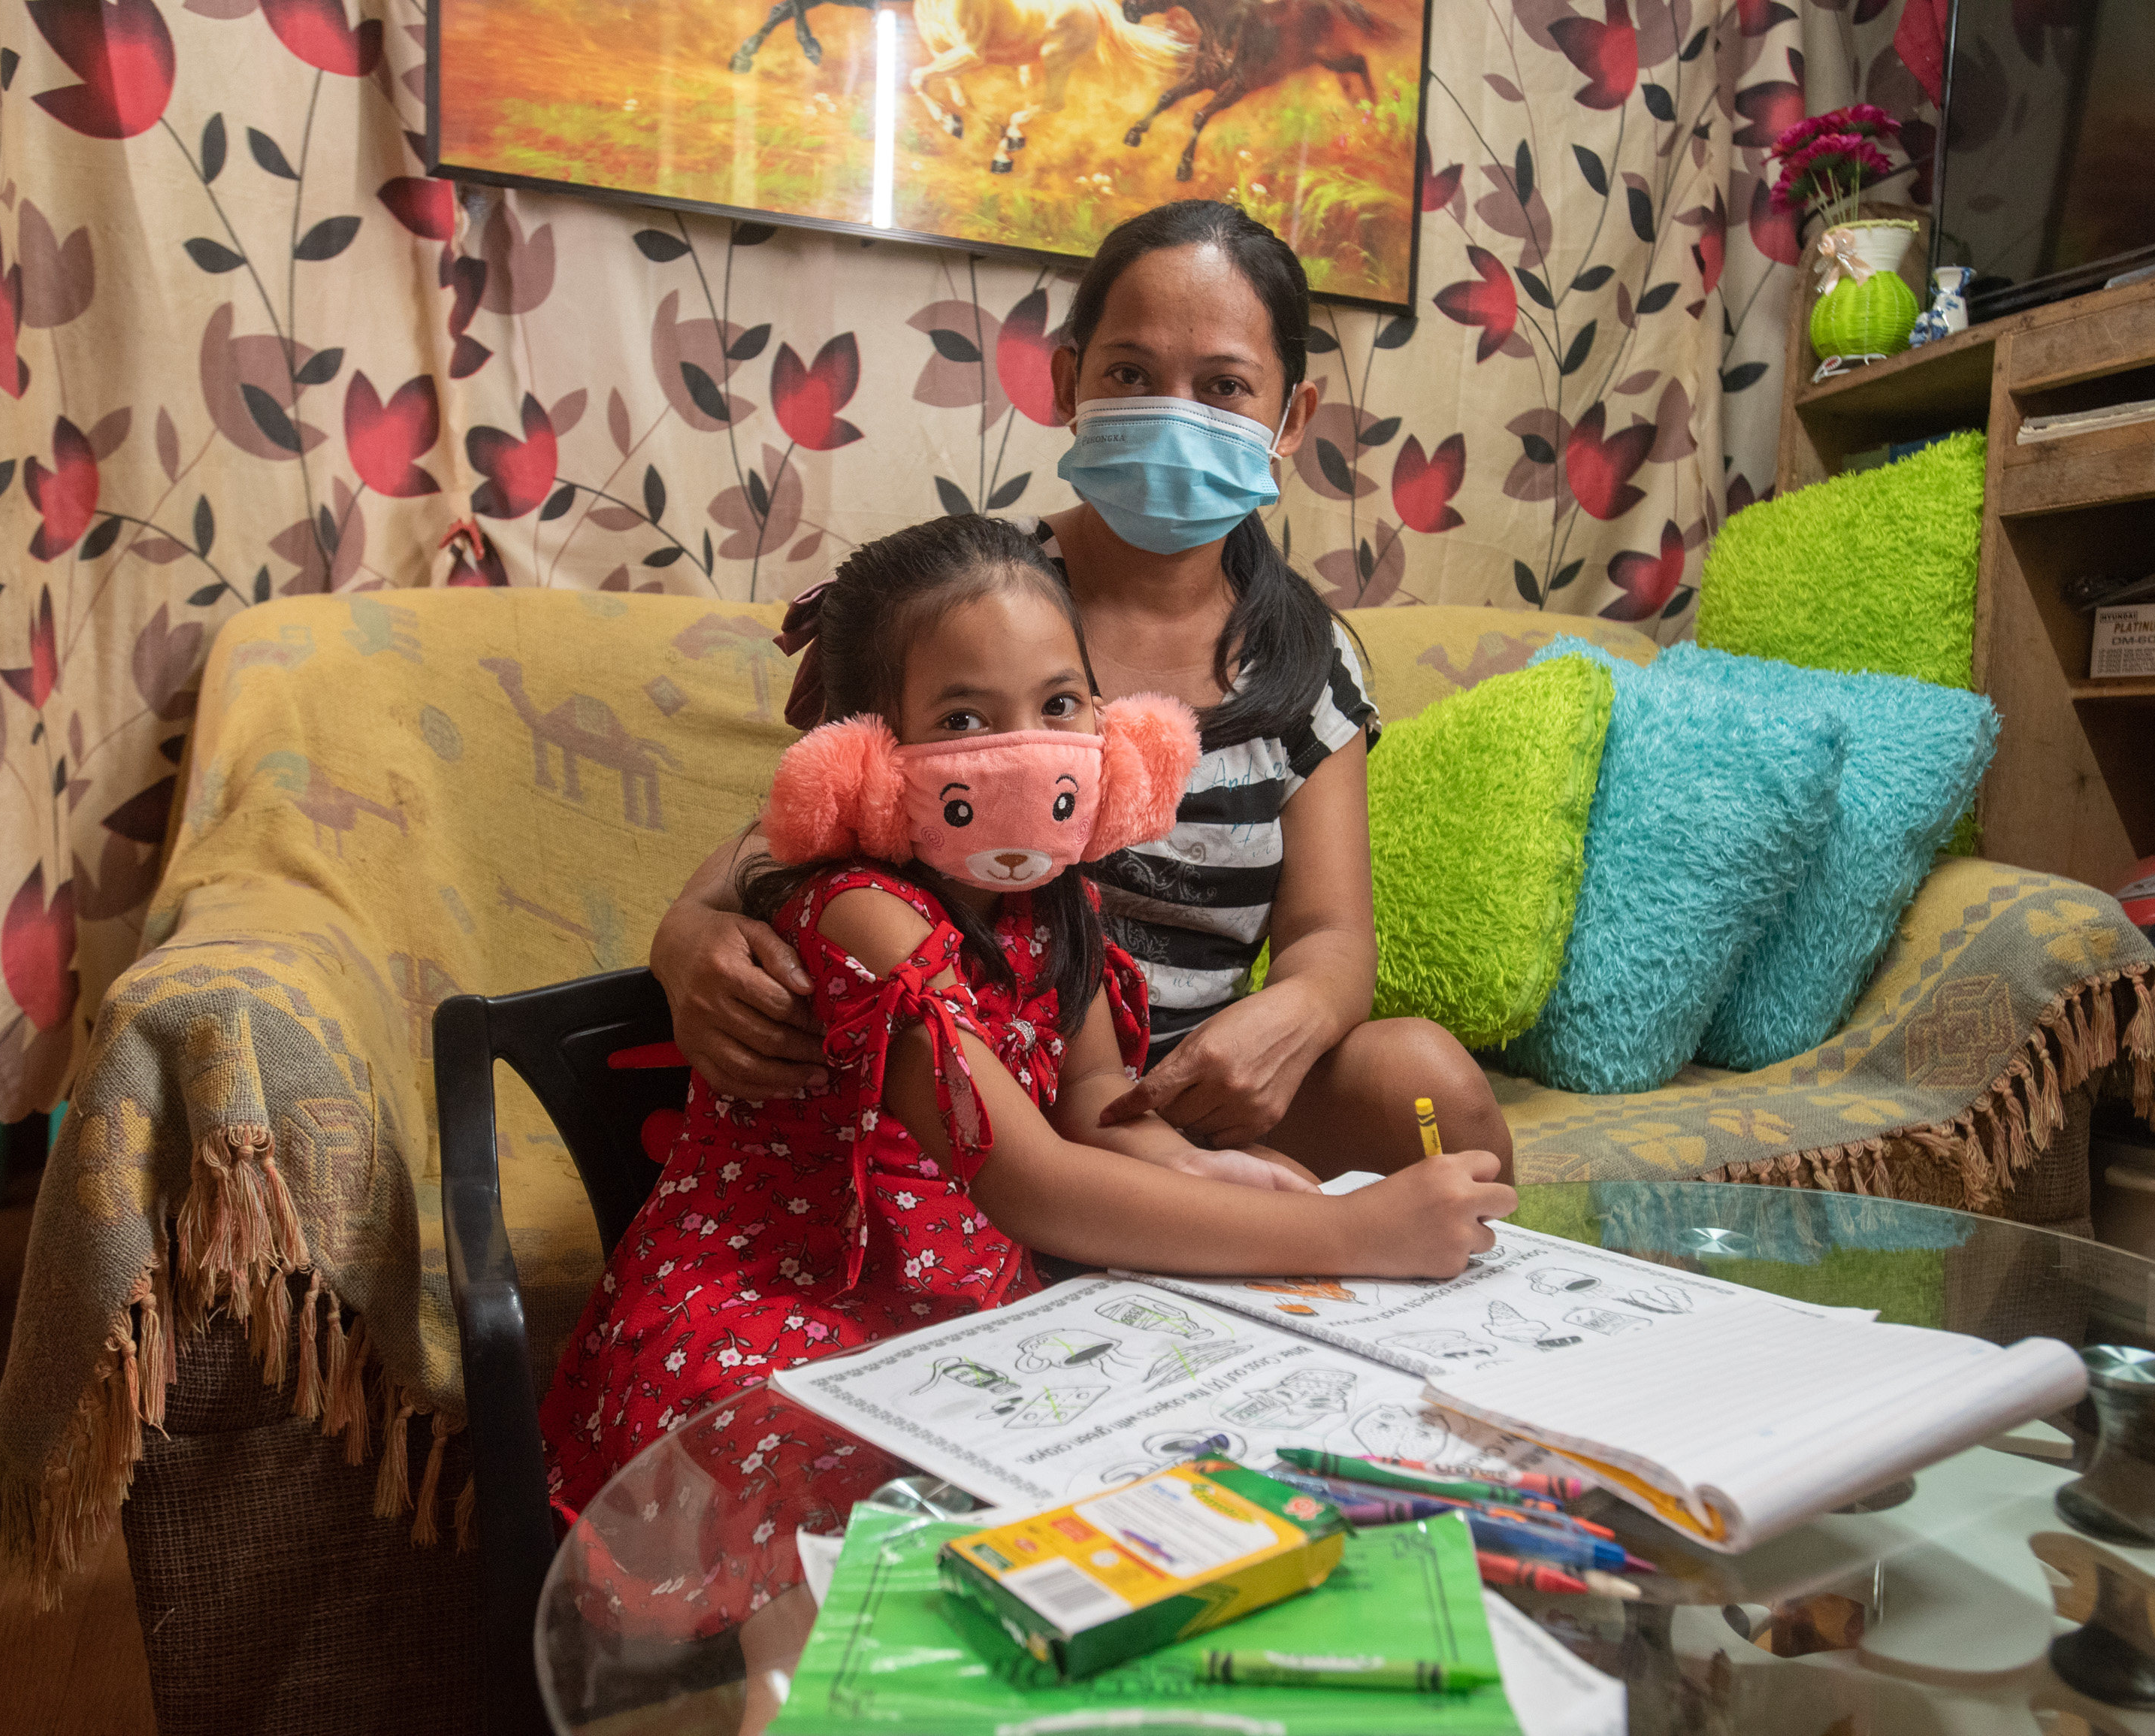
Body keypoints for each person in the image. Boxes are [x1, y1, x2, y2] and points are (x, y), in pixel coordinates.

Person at [541, 513, 1514, 1524]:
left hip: (959, 1285)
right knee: (824, 1540)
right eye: (963, 720)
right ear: (867, 758)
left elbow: (1092, 1096)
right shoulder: (863, 916)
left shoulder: (1054, 897)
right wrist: (1346, 1232)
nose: (1023, 753)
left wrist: (1197, 1165)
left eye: (1056, 704)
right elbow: (1032, 1182)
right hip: (786, 1304)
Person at [652, 200, 1516, 1179]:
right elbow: (814, 820)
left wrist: (1293, 1016)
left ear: (1290, 418)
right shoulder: (968, 607)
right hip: (974, 1083)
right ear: (1068, 381)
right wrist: (684, 936)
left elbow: (1328, 933)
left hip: (1184, 1101)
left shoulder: (1305, 661)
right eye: (1131, 374)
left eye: (1224, 385)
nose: (1174, 411)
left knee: (1427, 1083)